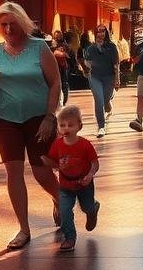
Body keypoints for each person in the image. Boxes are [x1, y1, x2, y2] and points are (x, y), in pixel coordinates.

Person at [0, 2, 62, 249]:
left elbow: (55, 82)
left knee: (41, 172)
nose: (7, 29)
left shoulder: (39, 48)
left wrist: (50, 116)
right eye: (3, 25)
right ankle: (23, 229)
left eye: (12, 24)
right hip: (5, 119)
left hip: (38, 118)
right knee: (13, 173)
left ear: (22, 24)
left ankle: (60, 200)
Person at [41, 105, 101, 252]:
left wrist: (90, 175)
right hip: (66, 186)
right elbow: (54, 161)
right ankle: (70, 237)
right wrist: (45, 160)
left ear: (79, 126)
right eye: (62, 125)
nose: (66, 128)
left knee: (86, 206)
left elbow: (95, 163)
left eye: (70, 125)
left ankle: (92, 209)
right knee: (65, 210)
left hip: (84, 184)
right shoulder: (58, 144)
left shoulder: (85, 145)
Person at [81, 25, 120, 138]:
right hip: (95, 77)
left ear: (106, 33)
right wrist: (87, 68)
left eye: (103, 32)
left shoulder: (112, 47)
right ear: (95, 33)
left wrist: (117, 79)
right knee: (99, 100)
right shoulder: (91, 48)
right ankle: (101, 127)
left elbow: (116, 65)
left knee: (105, 100)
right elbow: (87, 62)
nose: (101, 34)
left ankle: (108, 106)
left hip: (109, 77)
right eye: (99, 32)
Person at [51, 30, 72, 106]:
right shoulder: (51, 44)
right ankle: (56, 101)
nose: (58, 37)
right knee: (55, 83)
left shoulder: (64, 44)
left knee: (64, 83)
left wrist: (60, 53)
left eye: (59, 36)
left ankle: (64, 102)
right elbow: (53, 53)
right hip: (53, 66)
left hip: (63, 66)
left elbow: (66, 54)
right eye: (56, 36)